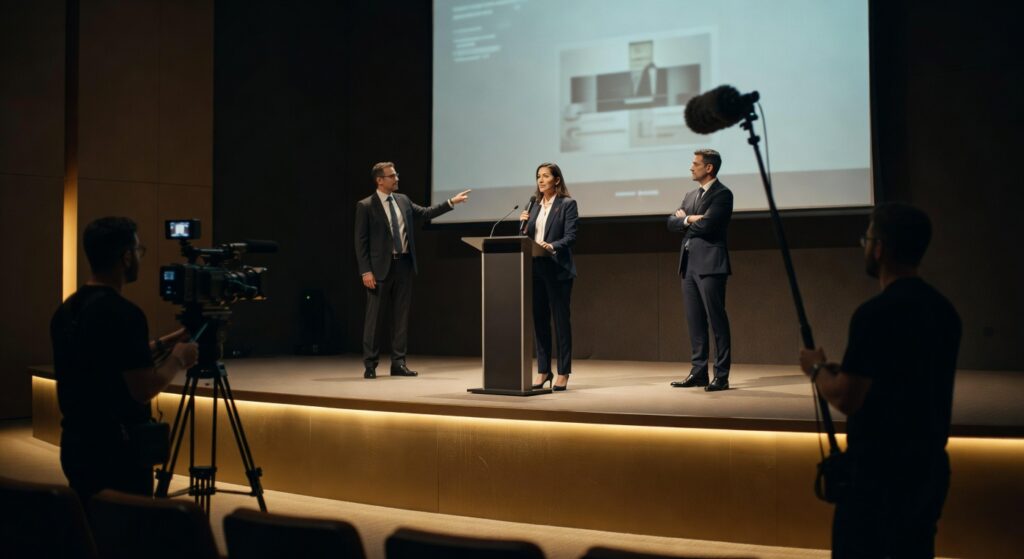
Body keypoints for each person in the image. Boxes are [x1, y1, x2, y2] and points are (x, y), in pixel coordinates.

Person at [799, 202, 960, 558]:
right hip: (928, 470)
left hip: (878, 476)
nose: (865, 245)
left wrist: (815, 368)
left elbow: (846, 397)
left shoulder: (875, 315)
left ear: (880, 247)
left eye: (867, 238)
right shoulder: (944, 311)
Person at [50, 217, 198, 503]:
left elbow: (103, 357)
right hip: (118, 451)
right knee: (128, 536)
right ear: (126, 257)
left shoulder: (68, 309)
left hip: (76, 445)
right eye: (139, 250)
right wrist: (178, 359)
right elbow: (143, 389)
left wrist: (163, 344)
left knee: (92, 530)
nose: (140, 257)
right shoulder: (124, 313)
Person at [355, 162, 470, 379]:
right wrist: (365, 271)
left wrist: (451, 202)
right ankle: (370, 364)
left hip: (404, 265)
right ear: (379, 180)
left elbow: (426, 213)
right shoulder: (366, 205)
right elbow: (360, 242)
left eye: (396, 174)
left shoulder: (403, 200)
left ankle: (398, 363)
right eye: (391, 176)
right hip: (379, 269)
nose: (396, 178)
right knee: (374, 318)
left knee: (401, 317)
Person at [668, 149, 733, 391]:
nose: (690, 167)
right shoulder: (690, 194)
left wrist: (687, 220)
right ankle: (698, 372)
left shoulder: (723, 194)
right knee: (694, 321)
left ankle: (722, 375)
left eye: (695, 164)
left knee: (716, 320)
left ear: (709, 168)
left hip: (711, 264)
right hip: (689, 264)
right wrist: (689, 220)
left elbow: (708, 226)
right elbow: (670, 222)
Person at [519, 163, 578, 391]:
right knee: (539, 321)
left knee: (561, 322)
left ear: (556, 180)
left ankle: (563, 372)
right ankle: (543, 371)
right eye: (538, 177)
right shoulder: (532, 205)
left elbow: (571, 236)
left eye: (545, 176)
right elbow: (525, 236)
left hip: (557, 269)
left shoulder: (567, 205)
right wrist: (522, 225)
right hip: (535, 268)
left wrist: (552, 245)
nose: (541, 180)